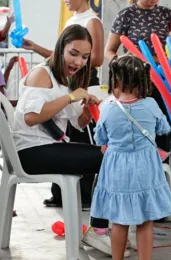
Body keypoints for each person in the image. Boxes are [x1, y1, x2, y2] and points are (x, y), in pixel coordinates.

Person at [90, 54, 171, 260]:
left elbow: (100, 137)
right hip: (145, 166)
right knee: (145, 220)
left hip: (117, 166)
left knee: (119, 221)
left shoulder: (108, 108)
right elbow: (164, 128)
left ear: (115, 81)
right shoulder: (151, 105)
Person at [22, 0, 104, 208]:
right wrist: (70, 97)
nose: (79, 62)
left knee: (111, 154)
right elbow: (31, 117)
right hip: (31, 152)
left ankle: (105, 223)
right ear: (60, 49)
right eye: (73, 54)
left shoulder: (63, 79)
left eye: (85, 57)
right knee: (112, 157)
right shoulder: (42, 73)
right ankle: (105, 224)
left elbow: (78, 123)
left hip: (47, 148)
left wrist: (86, 112)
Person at [104, 0, 171, 152]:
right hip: (136, 78)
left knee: (163, 119)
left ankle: (163, 160)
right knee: (140, 120)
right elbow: (109, 51)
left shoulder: (165, 14)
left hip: (163, 76)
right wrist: (121, 62)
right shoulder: (126, 14)